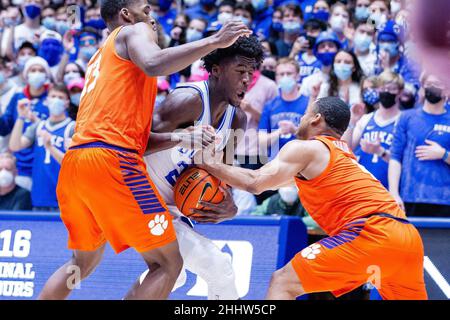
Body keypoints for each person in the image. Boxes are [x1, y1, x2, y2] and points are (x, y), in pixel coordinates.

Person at [37, 0, 251, 300]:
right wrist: (216, 39)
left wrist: (181, 138)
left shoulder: (100, 58)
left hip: (77, 163)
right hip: (113, 161)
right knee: (168, 264)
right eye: (147, 11)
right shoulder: (133, 31)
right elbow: (155, 63)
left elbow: (137, 135)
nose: (153, 20)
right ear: (127, 14)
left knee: (80, 264)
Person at [197, 95, 427, 300]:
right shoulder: (344, 157)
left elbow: (255, 182)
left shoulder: (305, 149)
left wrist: (209, 163)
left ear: (316, 119)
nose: (301, 120)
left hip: (372, 233)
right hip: (408, 238)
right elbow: (267, 181)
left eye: (304, 115)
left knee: (283, 283)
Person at [145, 35, 264, 300]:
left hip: (172, 211)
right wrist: (180, 137)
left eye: (251, 72)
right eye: (240, 71)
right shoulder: (187, 99)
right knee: (219, 267)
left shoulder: (238, 120)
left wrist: (228, 203)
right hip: (141, 200)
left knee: (171, 276)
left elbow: (221, 174)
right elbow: (131, 146)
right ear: (216, 70)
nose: (247, 79)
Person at [389, 73, 450, 217]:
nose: (433, 88)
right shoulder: (406, 117)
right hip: (411, 196)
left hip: (445, 199)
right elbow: (395, 157)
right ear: (422, 87)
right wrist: (393, 193)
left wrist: (443, 154)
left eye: (438, 84)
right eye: (429, 84)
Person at [9, 83, 75, 211]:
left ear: (67, 102)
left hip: (65, 199)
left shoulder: (73, 127)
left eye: (60, 97)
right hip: (39, 197)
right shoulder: (38, 126)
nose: (56, 100)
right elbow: (15, 146)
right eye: (53, 96)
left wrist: (50, 147)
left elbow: (71, 164)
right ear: (47, 101)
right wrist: (21, 117)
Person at [0, 56, 52, 191]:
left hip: (45, 163)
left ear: (46, 75)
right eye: (33, 70)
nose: (36, 73)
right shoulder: (18, 97)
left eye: (40, 70)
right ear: (26, 75)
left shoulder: (52, 97)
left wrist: (36, 120)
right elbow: (4, 128)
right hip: (21, 165)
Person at [346, 71, 403, 189]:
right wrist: (352, 122)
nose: (386, 92)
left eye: (391, 89)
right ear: (377, 90)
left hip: (389, 190)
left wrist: (380, 151)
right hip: (362, 188)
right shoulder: (366, 119)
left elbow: (404, 163)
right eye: (383, 88)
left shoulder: (404, 121)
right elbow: (346, 149)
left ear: (400, 92)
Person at [259, 57, 309, 159]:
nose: (285, 77)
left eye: (289, 74)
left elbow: (313, 139)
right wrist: (280, 131)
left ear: (298, 76)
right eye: (281, 74)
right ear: (276, 78)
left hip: (301, 163)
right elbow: (262, 141)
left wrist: (294, 130)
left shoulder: (309, 103)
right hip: (274, 162)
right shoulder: (270, 105)